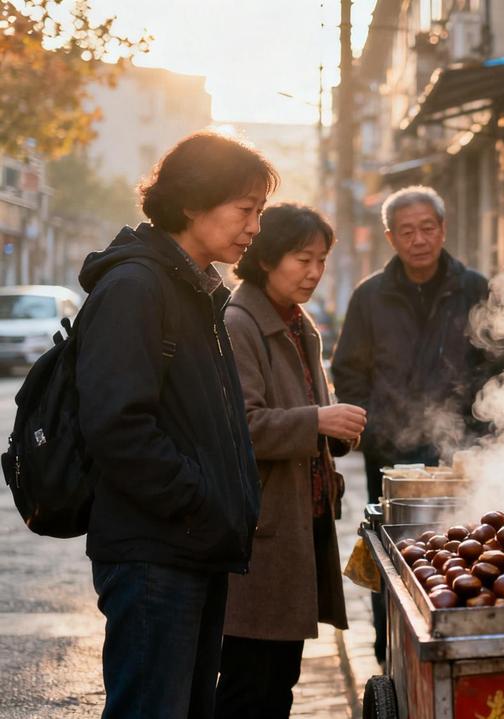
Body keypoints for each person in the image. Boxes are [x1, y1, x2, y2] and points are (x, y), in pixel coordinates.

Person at [75, 131, 276, 718]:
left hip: (192, 546)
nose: (254, 227)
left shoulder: (195, 288)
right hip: (154, 553)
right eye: (245, 210)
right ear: (192, 203)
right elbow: (118, 426)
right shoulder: (136, 286)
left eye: (259, 212)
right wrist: (198, 499)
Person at [331, 185, 492, 664]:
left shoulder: (475, 289)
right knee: (395, 565)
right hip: (393, 462)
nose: (419, 239)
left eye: (427, 228)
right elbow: (348, 372)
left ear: (443, 230)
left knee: (465, 559)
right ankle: (394, 660)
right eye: (407, 231)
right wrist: (374, 428)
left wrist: (482, 439)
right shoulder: (369, 297)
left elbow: (502, 366)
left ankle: (461, 653)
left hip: (462, 460)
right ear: (390, 237)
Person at [216, 204, 364, 717]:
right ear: (266, 259)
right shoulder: (239, 324)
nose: (314, 273)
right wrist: (319, 422)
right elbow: (242, 427)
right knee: (247, 685)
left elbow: (305, 410)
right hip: (259, 534)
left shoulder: (299, 325)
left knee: (279, 681)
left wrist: (334, 432)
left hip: (297, 524)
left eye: (321, 260)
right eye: (303, 259)